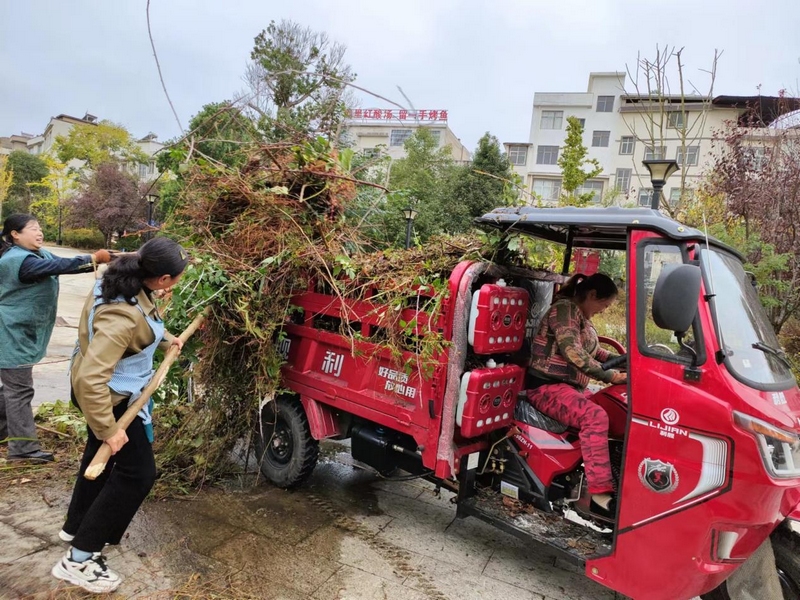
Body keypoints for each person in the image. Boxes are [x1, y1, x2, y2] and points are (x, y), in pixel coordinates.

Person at [51, 236, 189, 594]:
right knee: (138, 473)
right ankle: (79, 559)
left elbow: (144, 325)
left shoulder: (120, 280)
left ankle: (76, 525)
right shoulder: (121, 315)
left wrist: (167, 338)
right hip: (108, 398)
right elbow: (90, 378)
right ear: (162, 280)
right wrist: (109, 428)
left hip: (108, 394)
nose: (176, 283)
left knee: (97, 461)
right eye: (176, 278)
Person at [0, 214, 111, 462]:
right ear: (15, 234)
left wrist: (99, 260)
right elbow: (55, 268)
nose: (39, 233)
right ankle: (23, 450)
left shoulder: (39, 254)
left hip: (20, 331)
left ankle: (4, 432)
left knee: (12, 388)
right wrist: (91, 259)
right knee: (19, 390)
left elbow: (61, 262)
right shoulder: (18, 260)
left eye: (40, 228)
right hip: (8, 333)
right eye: (33, 229)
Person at [526, 272, 626, 518]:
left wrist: (626, 363)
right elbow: (573, 352)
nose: (604, 309)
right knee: (595, 417)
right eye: (604, 304)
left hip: (569, 389)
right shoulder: (564, 311)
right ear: (592, 295)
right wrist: (610, 376)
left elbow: (594, 351)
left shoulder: (581, 316)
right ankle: (601, 494)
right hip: (547, 388)